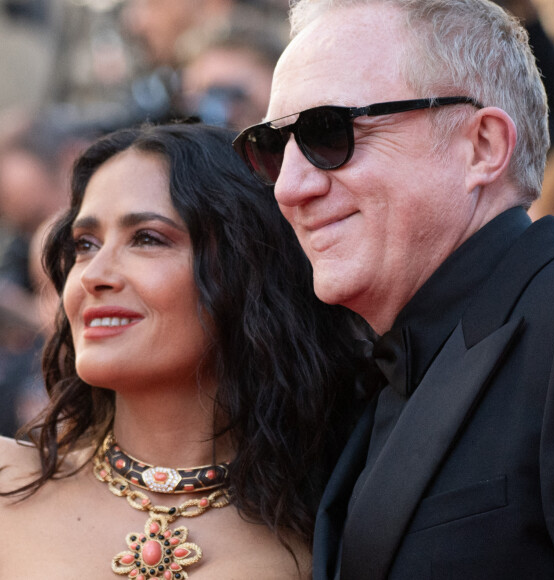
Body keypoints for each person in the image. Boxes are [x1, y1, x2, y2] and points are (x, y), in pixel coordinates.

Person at [232, 0, 554, 578]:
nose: (289, 188)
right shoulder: (371, 372)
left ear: (483, 146)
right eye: (272, 148)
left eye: (329, 132)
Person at [0, 122, 363, 578]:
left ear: (246, 270)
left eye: (147, 238)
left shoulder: (336, 532)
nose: (94, 275)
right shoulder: (7, 484)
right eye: (85, 245)